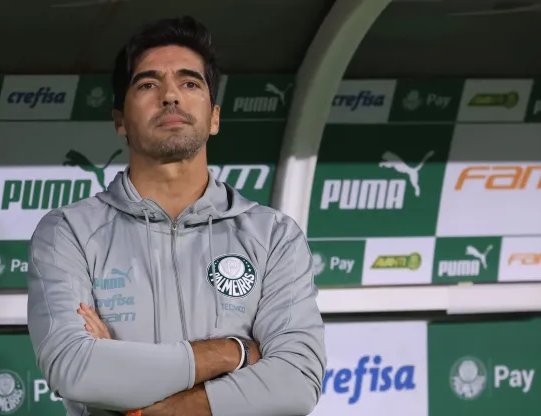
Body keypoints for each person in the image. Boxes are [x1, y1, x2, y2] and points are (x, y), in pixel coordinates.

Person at [26, 15, 326, 416]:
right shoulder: (69, 232)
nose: (170, 96)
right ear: (120, 121)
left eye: (189, 83)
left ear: (214, 116)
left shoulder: (273, 236)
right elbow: (76, 370)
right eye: (148, 84)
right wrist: (233, 352)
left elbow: (297, 381)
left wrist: (142, 386)